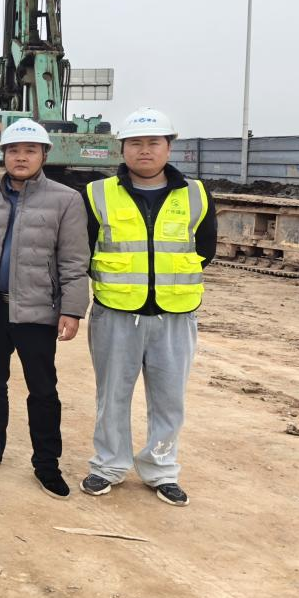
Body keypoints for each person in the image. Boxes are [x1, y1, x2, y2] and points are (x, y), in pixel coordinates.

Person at [79, 108, 216, 506]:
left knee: (169, 400)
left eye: (154, 142)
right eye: (135, 143)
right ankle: (108, 466)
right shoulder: (97, 194)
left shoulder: (196, 194)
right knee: (112, 396)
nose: (144, 150)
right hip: (116, 312)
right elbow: (84, 250)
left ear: (168, 147)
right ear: (122, 149)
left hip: (175, 315)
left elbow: (205, 249)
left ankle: (161, 469)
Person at [0, 118, 90, 499]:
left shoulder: (65, 200)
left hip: (37, 312)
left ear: (44, 154)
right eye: (13, 150)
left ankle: (46, 463)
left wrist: (72, 309)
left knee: (42, 390)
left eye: (30, 150)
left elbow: (74, 261)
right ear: (3, 156)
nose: (21, 157)